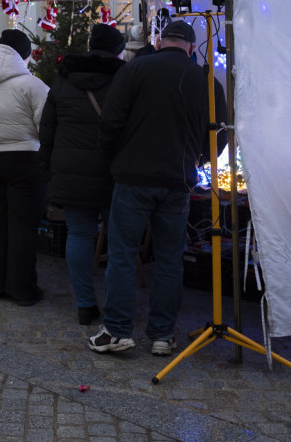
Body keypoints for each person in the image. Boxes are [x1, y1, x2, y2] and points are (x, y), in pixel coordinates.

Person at [89, 20, 208, 356]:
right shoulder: (202, 78)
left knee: (123, 254)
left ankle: (117, 330)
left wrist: (116, 158)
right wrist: (198, 161)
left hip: (133, 177)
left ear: (159, 41)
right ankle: (162, 335)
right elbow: (218, 132)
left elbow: (110, 120)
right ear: (191, 46)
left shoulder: (136, 69)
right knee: (170, 259)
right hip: (178, 179)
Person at [39, 24, 126, 325]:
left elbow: (47, 128)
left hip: (71, 169)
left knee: (79, 234)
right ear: (118, 49)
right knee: (118, 241)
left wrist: (47, 168)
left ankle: (85, 305)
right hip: (114, 171)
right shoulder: (125, 78)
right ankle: (117, 310)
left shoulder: (63, 80)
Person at [0, 29, 49, 306]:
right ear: (25, 55)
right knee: (22, 226)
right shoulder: (33, 86)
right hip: (25, 160)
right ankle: (23, 290)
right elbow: (46, 128)